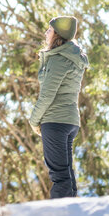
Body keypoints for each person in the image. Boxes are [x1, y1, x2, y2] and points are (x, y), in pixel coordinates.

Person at [29, 16, 89, 198]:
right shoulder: (73, 57)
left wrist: (33, 121)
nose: (46, 33)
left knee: (60, 177)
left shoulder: (58, 59)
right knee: (66, 175)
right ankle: (72, 214)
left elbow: (47, 95)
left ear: (57, 35)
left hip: (54, 121)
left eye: (49, 30)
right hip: (70, 122)